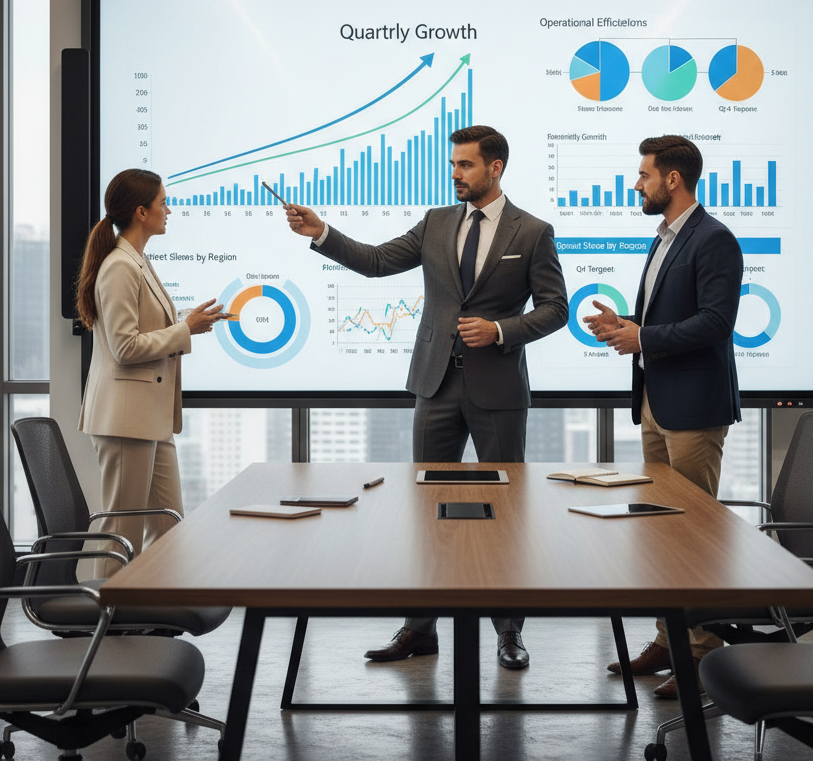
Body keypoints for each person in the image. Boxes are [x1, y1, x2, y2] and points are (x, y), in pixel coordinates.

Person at [284, 125, 568, 669]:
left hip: (499, 390)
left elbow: (555, 307)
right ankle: (419, 629)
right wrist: (323, 233)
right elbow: (374, 260)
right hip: (435, 384)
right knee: (426, 511)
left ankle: (509, 632)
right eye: (454, 164)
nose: (456, 173)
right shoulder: (437, 223)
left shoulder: (532, 232)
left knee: (505, 514)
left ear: (495, 168)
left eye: (465, 165)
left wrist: (502, 330)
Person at [585, 134, 743, 698]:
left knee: (692, 535)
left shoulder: (714, 238)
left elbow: (715, 323)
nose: (637, 184)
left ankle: (700, 652)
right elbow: (667, 316)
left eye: (644, 175)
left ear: (672, 179)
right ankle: (667, 638)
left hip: (694, 407)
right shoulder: (665, 238)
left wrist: (642, 335)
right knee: (660, 532)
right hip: (656, 401)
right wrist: (624, 324)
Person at [76, 168, 229, 578]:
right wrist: (184, 330)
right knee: (121, 528)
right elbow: (126, 348)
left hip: (150, 419)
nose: (170, 210)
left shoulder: (136, 261)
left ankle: (156, 610)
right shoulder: (120, 267)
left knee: (168, 524)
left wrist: (188, 321)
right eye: (164, 203)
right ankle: (107, 618)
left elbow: (142, 330)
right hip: (127, 420)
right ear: (141, 212)